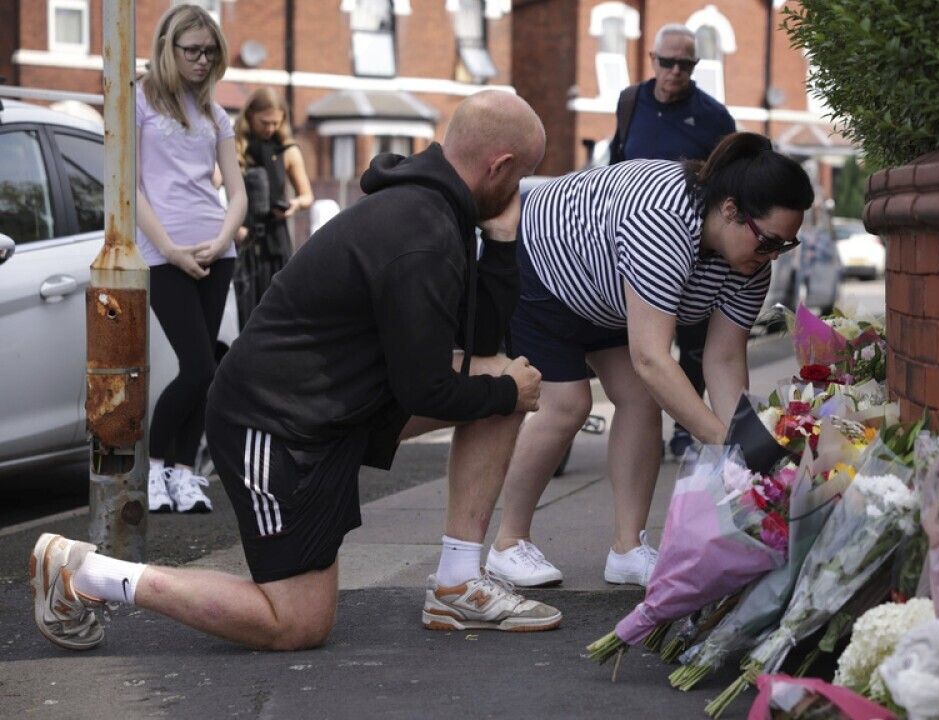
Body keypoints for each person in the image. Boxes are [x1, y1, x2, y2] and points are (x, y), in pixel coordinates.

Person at [30, 90, 557, 653]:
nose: (518, 194)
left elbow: (476, 346)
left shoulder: (438, 215)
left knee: (505, 379)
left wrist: (501, 243)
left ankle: (457, 582)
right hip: (272, 425)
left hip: (336, 408)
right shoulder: (421, 232)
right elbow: (424, 387)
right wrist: (501, 388)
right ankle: (85, 572)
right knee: (297, 624)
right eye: (521, 178)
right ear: (499, 167)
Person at [487, 133, 814, 588]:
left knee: (642, 402)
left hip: (610, 291)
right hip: (544, 265)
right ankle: (507, 543)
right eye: (769, 242)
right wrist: (723, 444)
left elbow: (722, 360)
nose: (772, 257)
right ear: (730, 211)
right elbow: (650, 358)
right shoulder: (663, 222)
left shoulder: (750, 261)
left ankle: (627, 548)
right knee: (567, 404)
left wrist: (749, 448)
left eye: (785, 246)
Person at [134, 4, 246, 515]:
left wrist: (223, 238)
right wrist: (172, 251)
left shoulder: (215, 114)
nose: (203, 61)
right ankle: (156, 471)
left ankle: (183, 475)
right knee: (198, 366)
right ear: (168, 49)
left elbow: (238, 193)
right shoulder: (137, 102)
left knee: (209, 371)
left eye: (210, 52)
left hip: (215, 251)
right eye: (193, 51)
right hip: (164, 253)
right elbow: (131, 189)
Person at [608, 23, 736, 460]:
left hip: (691, 247)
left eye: (686, 64)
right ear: (652, 60)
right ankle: (639, 418)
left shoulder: (714, 117)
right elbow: (615, 163)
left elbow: (730, 185)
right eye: (667, 62)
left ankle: (686, 429)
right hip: (632, 245)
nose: (675, 71)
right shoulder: (630, 102)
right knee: (638, 344)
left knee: (694, 344)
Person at [232, 87, 313, 329]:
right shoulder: (235, 150)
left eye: (276, 123)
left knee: (278, 313)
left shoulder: (288, 151)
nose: (270, 128)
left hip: (276, 240)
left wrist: (293, 206)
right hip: (243, 241)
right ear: (249, 117)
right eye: (264, 122)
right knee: (246, 316)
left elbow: (307, 196)